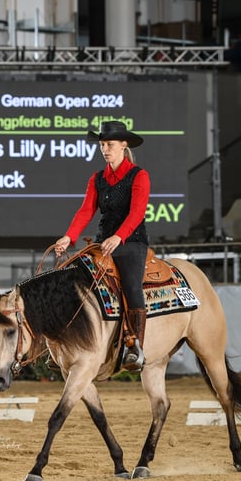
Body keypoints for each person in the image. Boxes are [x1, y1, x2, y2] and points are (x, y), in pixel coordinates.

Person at [54, 120, 150, 371]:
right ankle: (66, 343)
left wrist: (119, 236)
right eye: (102, 145)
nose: (105, 149)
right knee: (72, 279)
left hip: (131, 242)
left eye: (109, 144)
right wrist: (69, 237)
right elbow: (86, 211)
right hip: (102, 242)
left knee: (131, 286)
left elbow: (137, 212)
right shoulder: (97, 178)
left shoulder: (138, 175)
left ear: (123, 145)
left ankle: (134, 345)